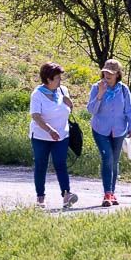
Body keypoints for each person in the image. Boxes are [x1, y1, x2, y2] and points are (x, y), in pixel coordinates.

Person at [86, 58, 131, 207]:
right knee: (107, 158)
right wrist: (100, 95)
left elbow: (130, 110)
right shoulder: (96, 87)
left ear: (117, 74)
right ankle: (107, 194)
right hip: (100, 130)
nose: (107, 76)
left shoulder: (123, 90)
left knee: (114, 162)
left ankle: (112, 193)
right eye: (105, 72)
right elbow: (91, 110)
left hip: (119, 130)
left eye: (110, 73)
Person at [30, 61, 78, 209]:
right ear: (48, 79)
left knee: (60, 164)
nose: (60, 80)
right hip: (41, 137)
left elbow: (67, 109)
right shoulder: (37, 94)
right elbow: (36, 116)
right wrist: (50, 130)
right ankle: (40, 197)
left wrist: (70, 103)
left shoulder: (62, 90)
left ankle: (66, 195)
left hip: (62, 135)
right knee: (41, 165)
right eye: (57, 78)